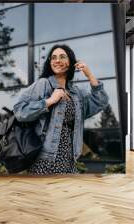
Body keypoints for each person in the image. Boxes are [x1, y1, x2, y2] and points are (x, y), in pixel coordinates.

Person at [13, 44, 109, 174]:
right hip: (45, 159)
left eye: (62, 57)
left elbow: (101, 102)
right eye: (53, 57)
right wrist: (49, 101)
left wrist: (89, 75)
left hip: (70, 159)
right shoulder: (44, 84)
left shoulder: (76, 93)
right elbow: (19, 111)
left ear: (71, 62)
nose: (57, 60)